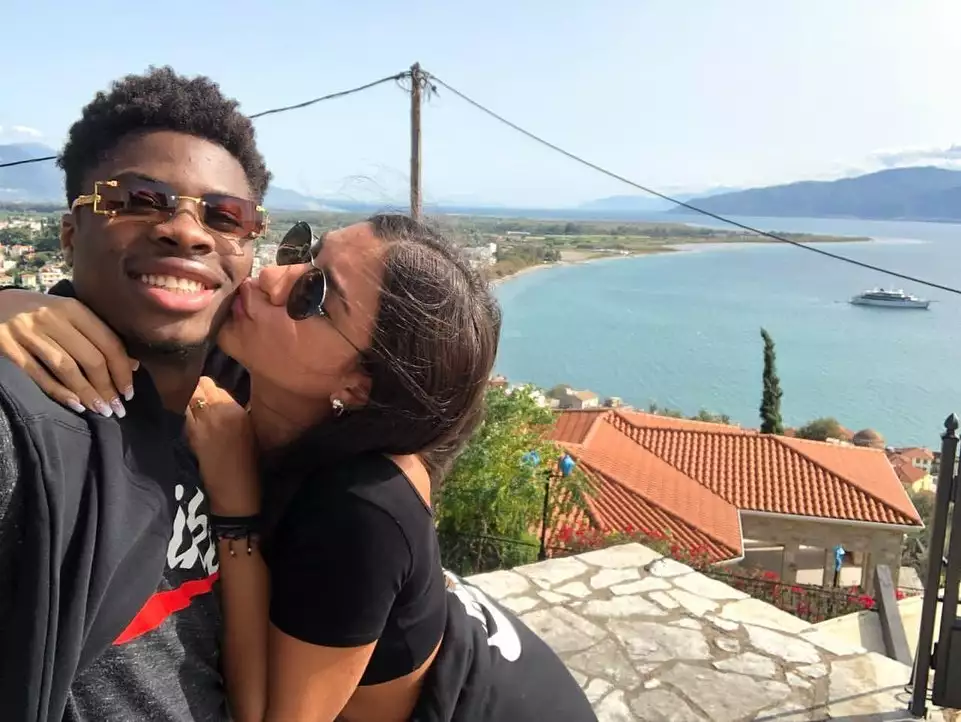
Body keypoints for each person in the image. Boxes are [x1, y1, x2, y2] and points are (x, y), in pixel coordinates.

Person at [1, 217, 598, 721]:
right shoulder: (254, 370)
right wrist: (10, 303)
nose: (270, 276)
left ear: (357, 384)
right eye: (300, 252)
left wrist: (236, 508)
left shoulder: (364, 507)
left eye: (312, 293)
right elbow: (110, 319)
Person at [0, 66, 270, 721]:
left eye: (225, 215)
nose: (187, 231)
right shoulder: (27, 424)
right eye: (140, 200)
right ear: (71, 232)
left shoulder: (264, 399)